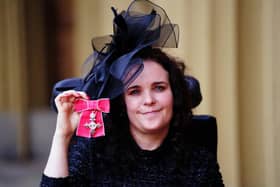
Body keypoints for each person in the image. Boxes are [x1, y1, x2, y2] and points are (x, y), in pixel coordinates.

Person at [40, 0, 224, 186]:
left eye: (159, 87)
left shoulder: (198, 162)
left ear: (174, 94)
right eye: (135, 92)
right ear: (121, 101)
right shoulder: (93, 151)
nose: (149, 100)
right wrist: (62, 136)